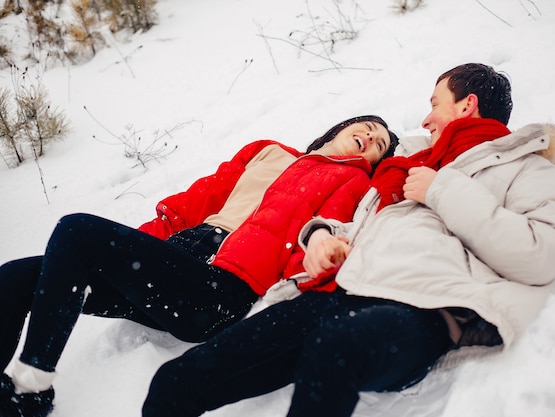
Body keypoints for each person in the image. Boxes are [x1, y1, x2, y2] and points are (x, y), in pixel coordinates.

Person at [142, 63, 555, 417]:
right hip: (345, 290)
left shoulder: (525, 168)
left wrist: (442, 191)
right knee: (175, 382)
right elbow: (358, 221)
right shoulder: (408, 167)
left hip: (423, 310)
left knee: (335, 351)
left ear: (468, 105)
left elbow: (541, 255)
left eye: (435, 103)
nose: (425, 119)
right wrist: (321, 238)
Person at [0, 115, 400, 417]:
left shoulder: (351, 182)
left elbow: (324, 232)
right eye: (367, 127)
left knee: (77, 229)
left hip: (219, 289)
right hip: (175, 260)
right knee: (17, 275)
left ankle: (32, 388)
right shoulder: (269, 151)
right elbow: (193, 204)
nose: (371, 138)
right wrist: (118, 254)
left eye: (380, 145)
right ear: (342, 127)